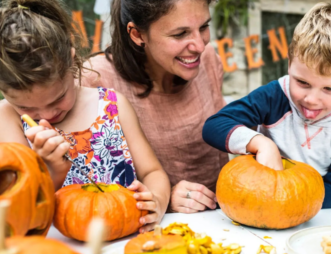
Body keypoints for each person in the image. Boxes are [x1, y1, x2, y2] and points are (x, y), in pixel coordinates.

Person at [0, 0, 170, 233]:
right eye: (25, 107)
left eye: (57, 98)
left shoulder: (112, 105)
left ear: (73, 61)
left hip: (127, 238)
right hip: (56, 250)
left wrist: (156, 199)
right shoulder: (6, 117)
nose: (46, 114)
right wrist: (51, 170)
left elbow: (152, 172)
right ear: (2, 91)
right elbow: (19, 207)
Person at [203, 3, 331, 208]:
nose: (311, 99)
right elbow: (214, 125)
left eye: (329, 89)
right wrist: (262, 143)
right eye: (302, 83)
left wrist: (283, 197)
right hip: (256, 202)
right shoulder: (275, 96)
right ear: (290, 63)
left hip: (306, 214)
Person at [81, 0, 228, 214]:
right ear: (137, 34)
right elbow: (82, 188)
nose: (199, 45)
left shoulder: (208, 60)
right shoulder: (95, 79)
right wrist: (162, 198)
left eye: (204, 27)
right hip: (144, 232)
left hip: (222, 223)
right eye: (180, 34)